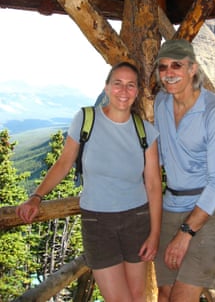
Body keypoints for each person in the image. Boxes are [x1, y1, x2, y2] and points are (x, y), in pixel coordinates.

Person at [16, 61, 162, 302]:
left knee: (137, 296)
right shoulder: (86, 119)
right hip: (97, 221)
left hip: (137, 220)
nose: (123, 91)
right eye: (117, 84)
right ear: (106, 88)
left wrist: (154, 233)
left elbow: (154, 185)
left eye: (130, 85)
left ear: (137, 91)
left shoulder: (146, 131)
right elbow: (64, 163)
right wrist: (36, 196)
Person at [153, 39, 215, 302]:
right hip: (171, 205)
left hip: (209, 209)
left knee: (181, 297)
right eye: (163, 66)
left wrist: (186, 233)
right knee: (164, 294)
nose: (168, 73)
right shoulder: (161, 103)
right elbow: (162, 158)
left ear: (193, 69)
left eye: (177, 65)